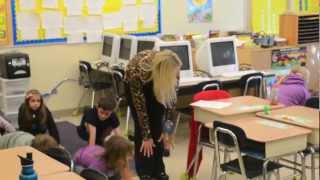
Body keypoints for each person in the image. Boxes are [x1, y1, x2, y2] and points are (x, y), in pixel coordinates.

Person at [125, 50, 181, 180]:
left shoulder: (174, 69)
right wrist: (146, 136)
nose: (177, 76)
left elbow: (171, 104)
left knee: (158, 123)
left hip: (158, 77)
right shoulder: (137, 71)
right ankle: (144, 169)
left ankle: (158, 167)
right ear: (164, 72)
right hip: (136, 85)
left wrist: (168, 131)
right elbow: (141, 110)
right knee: (143, 127)